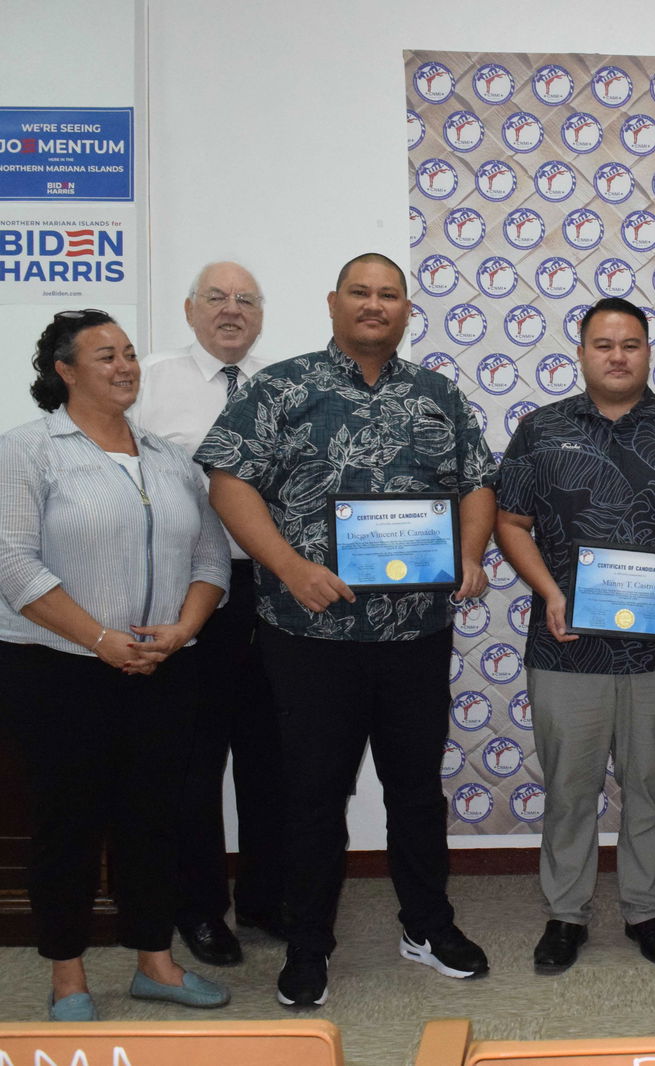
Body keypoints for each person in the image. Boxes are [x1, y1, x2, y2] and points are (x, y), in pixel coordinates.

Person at [195, 253, 496, 1009]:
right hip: (310, 634)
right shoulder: (282, 388)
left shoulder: (436, 394)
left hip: (416, 635)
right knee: (311, 796)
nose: (374, 305)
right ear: (334, 303)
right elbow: (228, 482)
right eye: (360, 293)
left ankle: (427, 925)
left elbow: (478, 480)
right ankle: (308, 946)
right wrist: (291, 567)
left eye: (388, 295)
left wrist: (467, 552)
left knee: (417, 792)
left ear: (405, 309)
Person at [495, 296, 655, 974]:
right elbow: (509, 522)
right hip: (566, 645)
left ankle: (646, 909)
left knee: (649, 783)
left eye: (630, 343)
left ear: (647, 353)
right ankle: (566, 914)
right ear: (581, 353)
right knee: (571, 787)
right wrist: (548, 592)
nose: (616, 355)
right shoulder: (541, 431)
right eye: (603, 343)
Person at [0, 310, 232, 1020]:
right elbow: (13, 564)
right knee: (66, 823)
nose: (125, 366)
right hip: (60, 667)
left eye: (130, 353)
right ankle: (68, 976)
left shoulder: (167, 457)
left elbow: (210, 556)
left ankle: (154, 963)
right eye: (105, 356)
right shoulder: (29, 450)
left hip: (165, 667)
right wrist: (102, 639)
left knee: (154, 819)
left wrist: (183, 629)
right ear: (64, 371)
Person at [131, 260, 285, 966]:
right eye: (217, 299)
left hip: (276, 590)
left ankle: (265, 898)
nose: (231, 310)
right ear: (190, 310)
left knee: (272, 753)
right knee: (195, 760)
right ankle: (198, 908)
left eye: (245, 300)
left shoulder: (283, 386)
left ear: (261, 314)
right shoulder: (149, 381)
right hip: (190, 592)